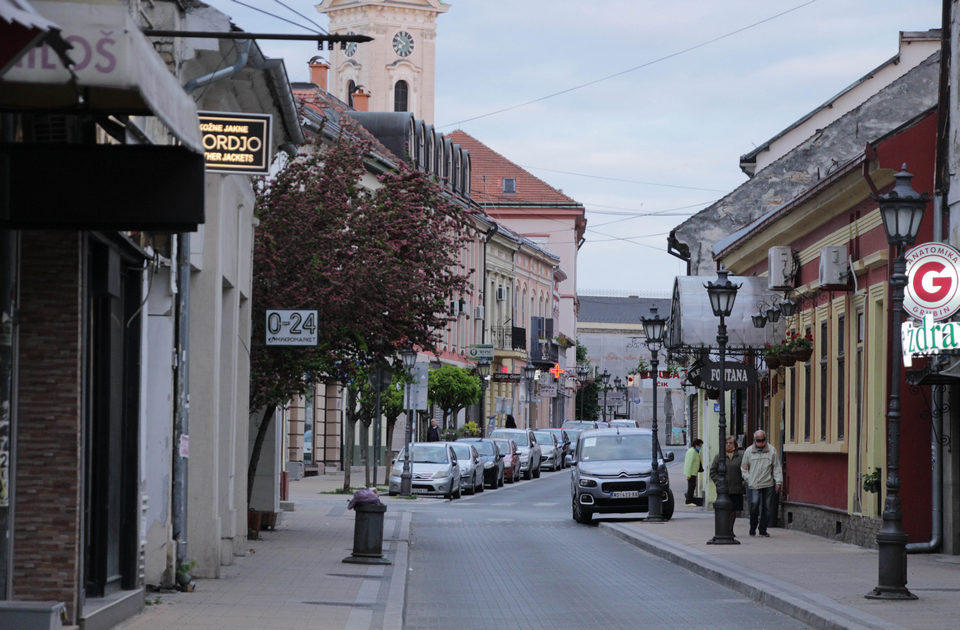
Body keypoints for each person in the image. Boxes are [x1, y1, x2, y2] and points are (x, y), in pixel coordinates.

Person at [740, 429, 783, 537]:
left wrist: (778, 482)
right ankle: (753, 526)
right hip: (754, 484)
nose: (760, 443)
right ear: (754, 440)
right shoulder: (749, 451)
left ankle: (763, 529)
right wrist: (748, 478)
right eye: (758, 440)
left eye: (762, 440)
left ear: (765, 439)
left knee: (767, 508)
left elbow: (776, 467)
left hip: (768, 483)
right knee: (754, 505)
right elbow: (744, 467)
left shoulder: (772, 450)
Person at [710, 435, 744, 534]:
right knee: (725, 510)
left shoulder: (740, 456)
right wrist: (718, 482)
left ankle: (730, 529)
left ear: (735, 445)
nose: (728, 445)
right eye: (726, 443)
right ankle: (725, 529)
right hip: (723, 488)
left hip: (736, 488)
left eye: (731, 443)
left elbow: (745, 469)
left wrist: (743, 482)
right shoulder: (719, 456)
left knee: (733, 510)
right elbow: (713, 471)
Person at [683, 438, 704, 505]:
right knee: (691, 487)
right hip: (691, 473)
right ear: (696, 445)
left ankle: (689, 498)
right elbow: (689, 463)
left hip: (693, 472)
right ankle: (688, 501)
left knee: (692, 486)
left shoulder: (695, 451)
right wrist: (688, 474)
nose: (700, 447)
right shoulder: (692, 452)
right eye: (700, 446)